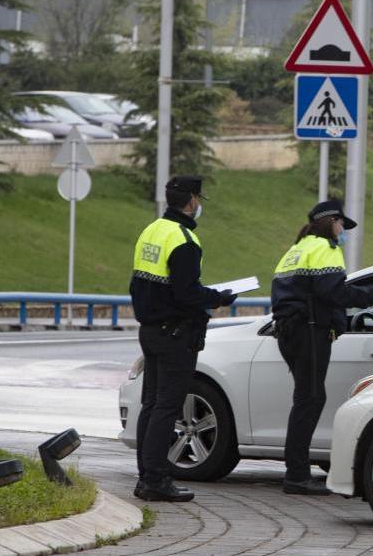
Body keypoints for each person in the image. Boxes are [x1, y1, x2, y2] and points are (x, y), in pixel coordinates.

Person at [130, 175, 237, 502]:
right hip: (175, 333)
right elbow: (186, 292)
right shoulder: (184, 240)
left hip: (150, 330)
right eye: (199, 199)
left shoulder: (151, 230)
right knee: (167, 406)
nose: (199, 205)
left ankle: (146, 475)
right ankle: (157, 479)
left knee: (152, 405)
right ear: (191, 200)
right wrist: (217, 297)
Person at [271, 199, 373, 495]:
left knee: (306, 398)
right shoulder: (325, 249)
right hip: (309, 331)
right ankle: (296, 475)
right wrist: (371, 297)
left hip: (289, 331)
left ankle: (295, 471)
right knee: (310, 399)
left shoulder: (297, 249)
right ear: (331, 222)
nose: (342, 232)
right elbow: (333, 291)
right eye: (341, 225)